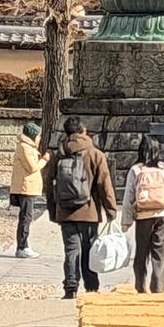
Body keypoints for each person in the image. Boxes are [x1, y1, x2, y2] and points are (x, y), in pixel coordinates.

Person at [42, 115, 117, 299]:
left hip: (65, 211)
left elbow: (48, 184)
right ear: (83, 132)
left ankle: (70, 287)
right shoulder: (95, 154)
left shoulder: (59, 154)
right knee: (89, 249)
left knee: (71, 249)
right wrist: (111, 210)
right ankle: (91, 286)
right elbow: (104, 185)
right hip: (89, 211)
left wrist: (53, 210)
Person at [120, 136, 164, 293]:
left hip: (143, 216)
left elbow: (129, 197)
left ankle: (140, 285)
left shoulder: (136, 170)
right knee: (160, 252)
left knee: (142, 252)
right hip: (163, 215)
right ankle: (158, 286)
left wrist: (126, 221)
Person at [10, 121, 47, 258]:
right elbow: (32, 167)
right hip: (25, 188)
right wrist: (44, 160)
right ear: (33, 136)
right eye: (38, 136)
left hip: (28, 187)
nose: (39, 139)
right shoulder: (25, 147)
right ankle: (22, 246)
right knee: (26, 218)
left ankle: (24, 245)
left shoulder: (28, 147)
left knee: (27, 217)